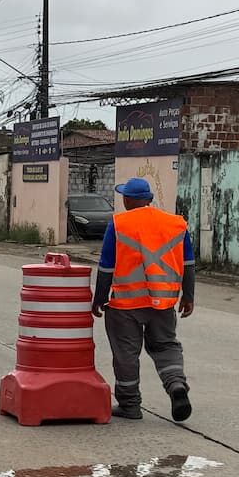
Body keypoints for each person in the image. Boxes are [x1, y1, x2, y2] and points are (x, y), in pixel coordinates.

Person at [91, 177, 196, 422]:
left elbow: (107, 266)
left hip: (125, 304)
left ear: (128, 199)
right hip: (164, 302)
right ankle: (176, 385)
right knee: (166, 346)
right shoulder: (175, 224)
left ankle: (130, 405)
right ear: (149, 199)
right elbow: (188, 263)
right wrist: (188, 296)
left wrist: (99, 297)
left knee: (126, 353)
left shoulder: (119, 224)